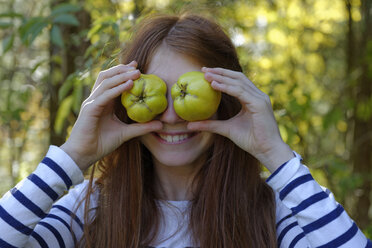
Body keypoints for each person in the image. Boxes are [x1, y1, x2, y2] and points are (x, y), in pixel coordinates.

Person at [0, 13, 370, 248]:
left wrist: (276, 155)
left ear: (225, 100)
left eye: (189, 93)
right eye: (158, 95)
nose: (174, 116)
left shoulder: (269, 212)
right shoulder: (90, 209)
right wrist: (73, 156)